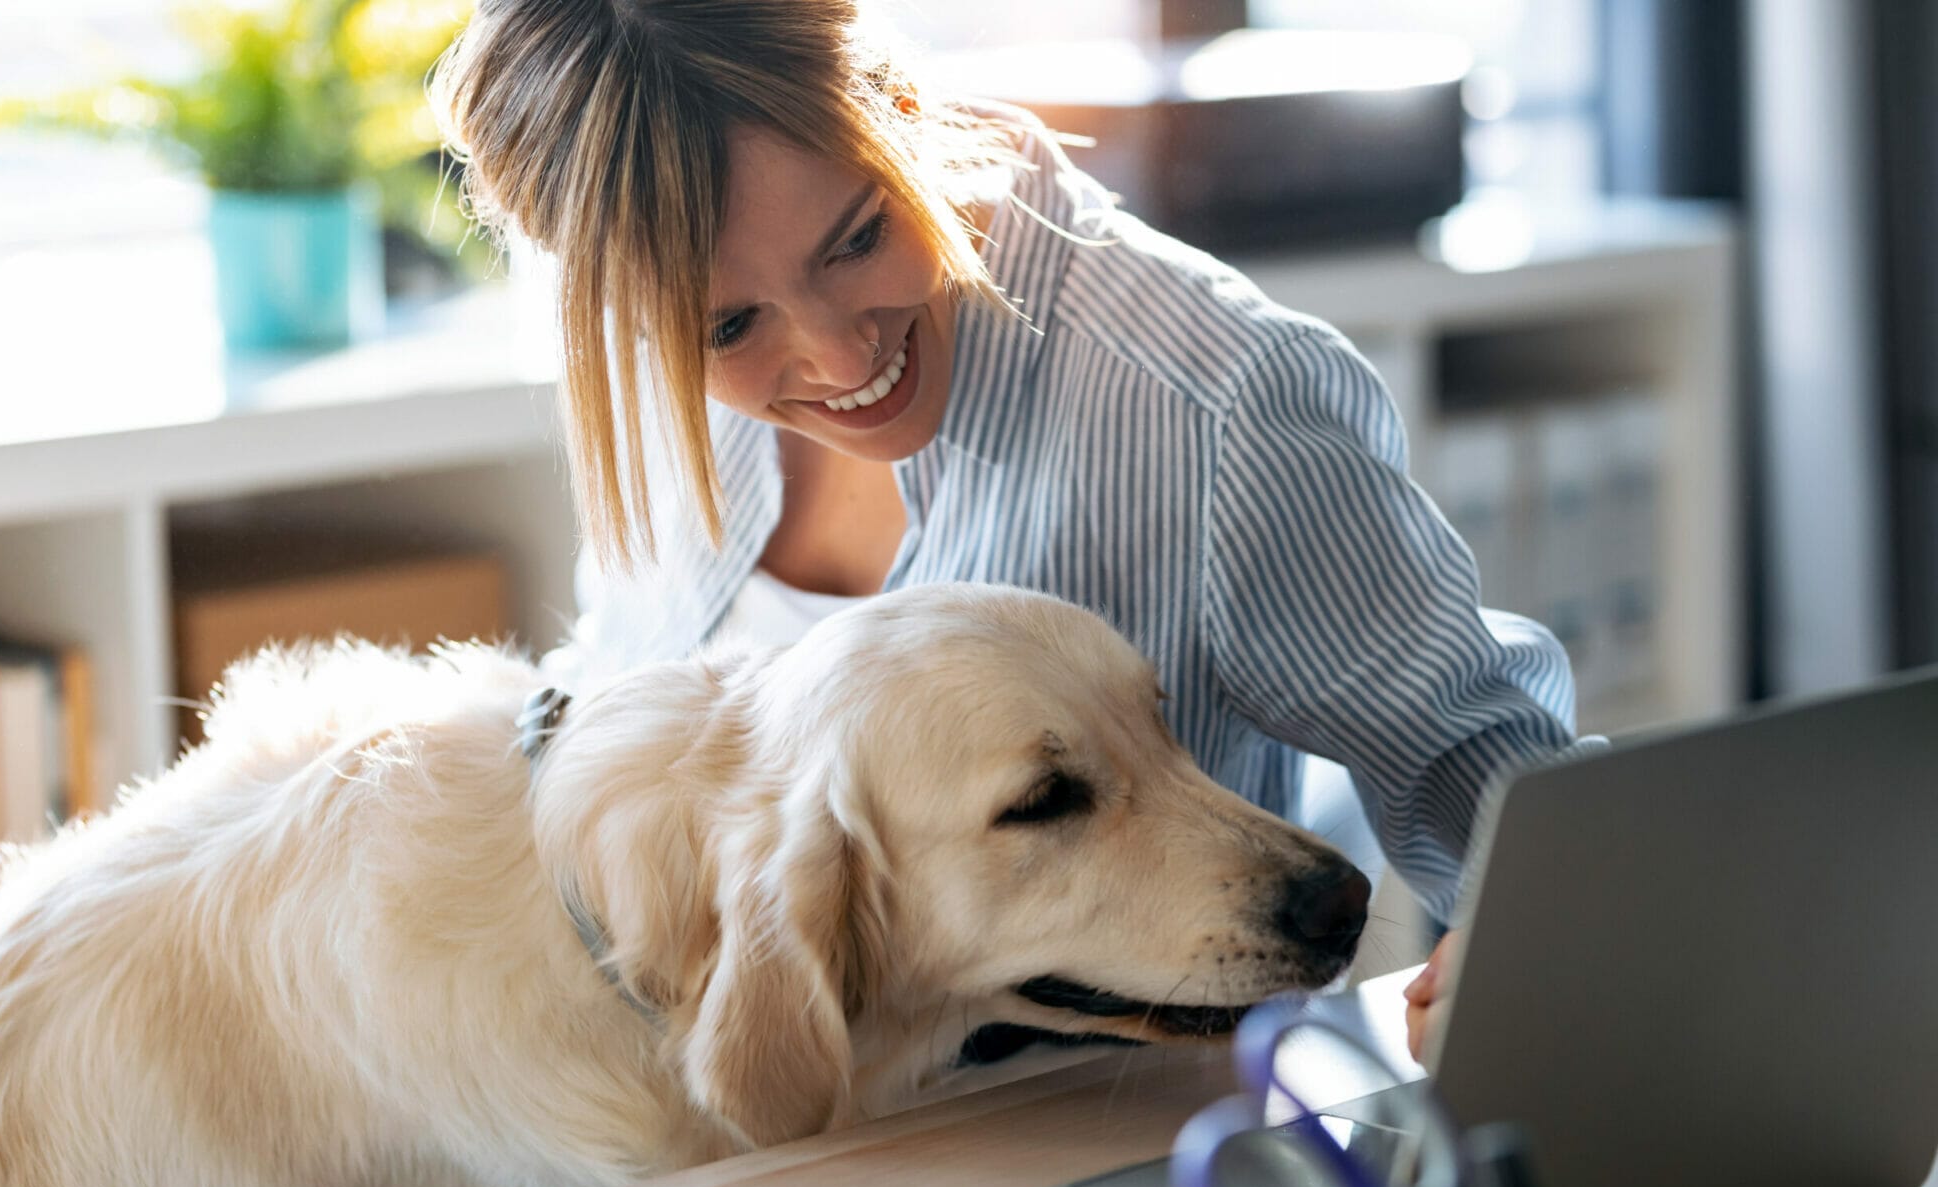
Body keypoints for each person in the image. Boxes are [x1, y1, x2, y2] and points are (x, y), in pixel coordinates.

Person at [430, 0, 1601, 1061]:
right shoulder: (649, 391)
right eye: (728, 323)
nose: (841, 357)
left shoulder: (1212, 404)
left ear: (894, 112)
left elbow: (1481, 765)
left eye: (855, 237)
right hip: (717, 1142)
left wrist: (1538, 935)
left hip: (1074, 1149)